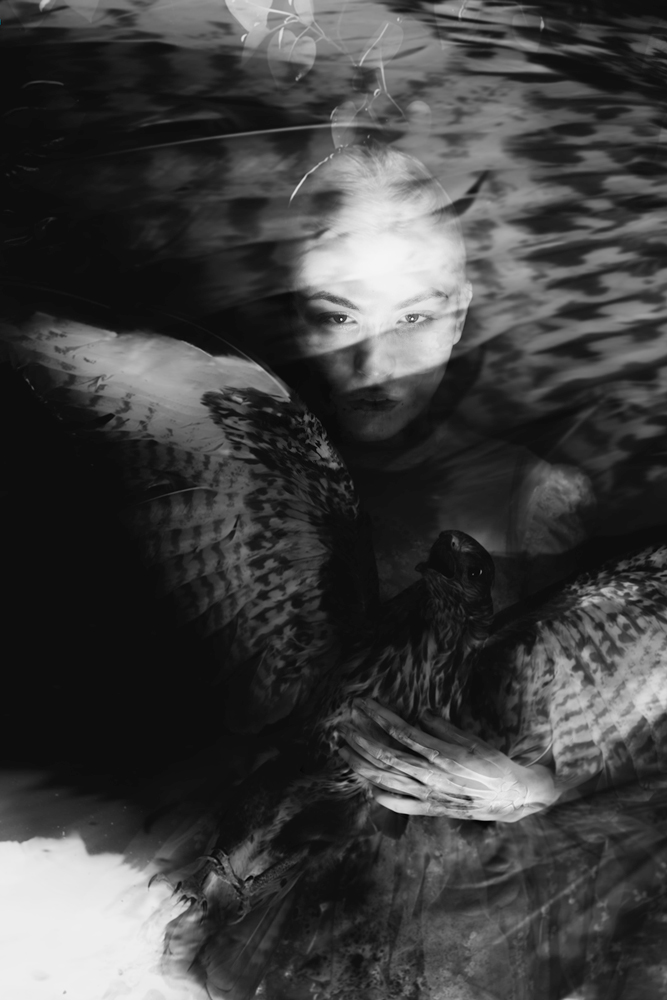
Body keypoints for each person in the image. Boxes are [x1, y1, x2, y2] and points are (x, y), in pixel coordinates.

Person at [277, 142, 594, 608]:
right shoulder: (236, 479)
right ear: (294, 319)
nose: (375, 365)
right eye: (338, 318)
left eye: (413, 318)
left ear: (458, 316)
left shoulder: (534, 499)